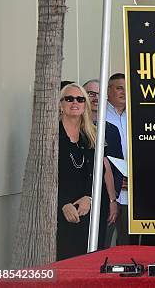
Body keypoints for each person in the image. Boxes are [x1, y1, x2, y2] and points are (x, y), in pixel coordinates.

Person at [82, 79, 123, 248]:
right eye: (91, 93)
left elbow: (116, 168)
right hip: (78, 201)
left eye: (100, 94)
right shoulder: (73, 128)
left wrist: (112, 201)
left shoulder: (111, 130)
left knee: (101, 249)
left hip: (105, 202)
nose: (95, 98)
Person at [57, 83, 95, 260]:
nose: (75, 102)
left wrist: (89, 197)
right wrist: (63, 203)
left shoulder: (91, 134)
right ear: (60, 104)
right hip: (58, 209)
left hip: (86, 208)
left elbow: (97, 172)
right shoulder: (52, 134)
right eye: (69, 98)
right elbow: (45, 177)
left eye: (80, 99)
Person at [105, 73, 135, 245]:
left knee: (128, 245)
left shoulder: (135, 116)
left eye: (126, 88)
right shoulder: (99, 117)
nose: (124, 92)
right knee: (105, 242)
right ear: (109, 91)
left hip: (132, 194)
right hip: (110, 192)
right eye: (119, 88)